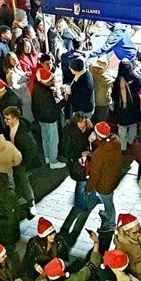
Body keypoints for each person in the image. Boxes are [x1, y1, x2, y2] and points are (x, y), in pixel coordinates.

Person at [60, 112, 97, 245]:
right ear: (75, 123)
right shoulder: (70, 133)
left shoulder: (87, 131)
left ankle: (88, 198)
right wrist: (79, 154)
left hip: (86, 164)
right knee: (81, 185)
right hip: (78, 166)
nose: (83, 125)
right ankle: (80, 204)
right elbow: (66, 151)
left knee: (86, 182)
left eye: (84, 122)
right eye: (81, 123)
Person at [86, 122, 123, 233]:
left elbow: (95, 174)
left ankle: (111, 223)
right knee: (109, 200)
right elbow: (105, 145)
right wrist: (97, 141)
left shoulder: (99, 153)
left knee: (108, 202)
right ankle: (107, 213)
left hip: (104, 184)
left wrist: (89, 187)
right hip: (113, 178)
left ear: (98, 136)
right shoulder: (116, 140)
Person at [31, 58, 66, 170]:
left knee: (45, 138)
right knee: (53, 140)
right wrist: (65, 100)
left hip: (41, 118)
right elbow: (55, 107)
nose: (53, 81)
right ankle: (53, 161)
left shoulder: (36, 88)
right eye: (51, 80)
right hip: (50, 119)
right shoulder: (47, 93)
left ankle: (47, 157)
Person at [111, 59, 141, 153]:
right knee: (133, 126)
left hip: (122, 110)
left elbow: (113, 96)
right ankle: (130, 142)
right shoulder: (136, 79)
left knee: (122, 129)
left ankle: (123, 147)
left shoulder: (116, 82)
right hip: (133, 108)